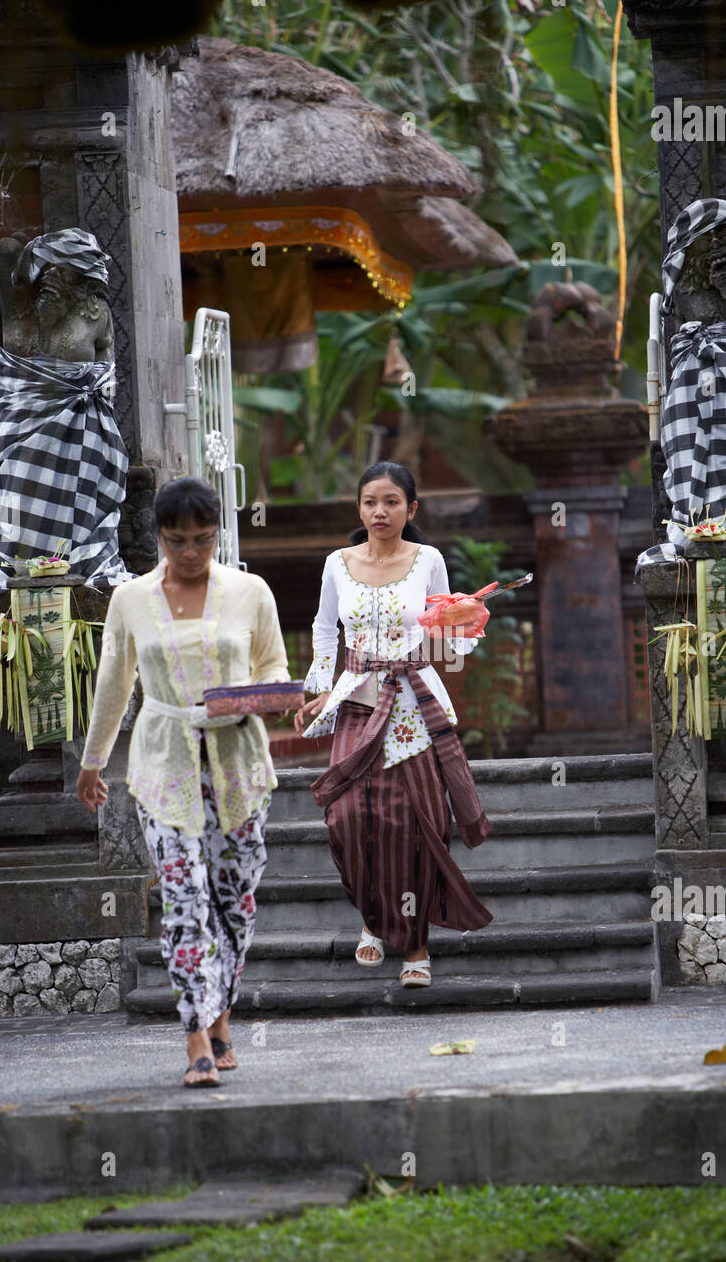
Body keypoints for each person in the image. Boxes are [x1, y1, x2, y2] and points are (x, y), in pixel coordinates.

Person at [76, 477, 291, 1087]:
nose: (191, 552)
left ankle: (221, 1013)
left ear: (217, 533)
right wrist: (93, 763)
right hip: (163, 761)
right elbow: (114, 685)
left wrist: (260, 696)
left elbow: (272, 664)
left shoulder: (250, 591)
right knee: (184, 899)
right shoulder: (131, 599)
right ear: (159, 537)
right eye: (177, 541)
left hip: (238, 760)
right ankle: (197, 1037)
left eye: (202, 539)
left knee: (236, 899)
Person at [294, 461, 493, 987]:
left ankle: (416, 948)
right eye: (369, 502)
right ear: (359, 508)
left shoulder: (428, 559)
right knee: (347, 820)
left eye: (391, 502)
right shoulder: (337, 562)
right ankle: (374, 919)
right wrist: (318, 688)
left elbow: (447, 628)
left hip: (414, 705)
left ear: (412, 508)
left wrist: (461, 622)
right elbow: (322, 628)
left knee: (417, 823)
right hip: (357, 702)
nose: (379, 511)